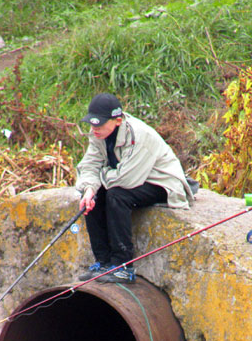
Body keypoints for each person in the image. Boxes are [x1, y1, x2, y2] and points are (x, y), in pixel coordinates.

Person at [75, 93, 193, 284]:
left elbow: (126, 179)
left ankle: (123, 266)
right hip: (127, 179)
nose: (94, 129)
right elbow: (89, 166)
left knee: (115, 196)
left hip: (161, 182)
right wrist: (89, 189)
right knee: (92, 198)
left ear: (118, 121)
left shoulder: (140, 135)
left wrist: (98, 178)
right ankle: (103, 262)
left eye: (100, 124)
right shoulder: (98, 134)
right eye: (92, 124)